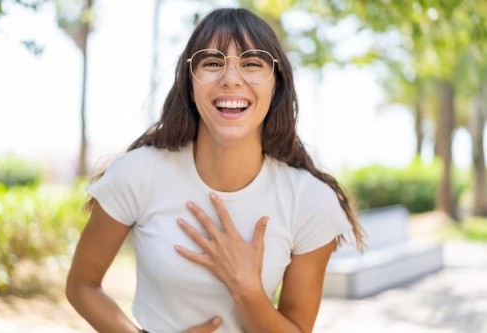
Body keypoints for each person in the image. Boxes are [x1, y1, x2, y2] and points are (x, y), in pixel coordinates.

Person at [66, 7, 365, 333]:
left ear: (276, 85)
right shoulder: (138, 173)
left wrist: (247, 288)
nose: (231, 78)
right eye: (212, 63)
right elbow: (82, 285)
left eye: (251, 63)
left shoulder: (311, 201)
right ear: (189, 82)